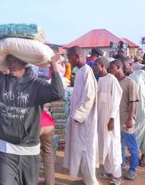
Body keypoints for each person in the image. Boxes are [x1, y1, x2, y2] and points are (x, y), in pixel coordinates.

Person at [0, 36, 64, 185]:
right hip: (5, 150)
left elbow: (58, 93)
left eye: (16, 61)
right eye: (10, 61)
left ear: (25, 62)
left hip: (29, 152)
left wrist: (53, 65)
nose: (12, 64)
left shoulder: (36, 85)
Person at [63, 46, 99, 185]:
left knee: (86, 151)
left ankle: (91, 182)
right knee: (80, 150)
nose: (68, 60)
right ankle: (86, 179)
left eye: (69, 58)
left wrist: (79, 116)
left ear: (76, 57)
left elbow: (89, 96)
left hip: (85, 121)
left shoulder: (87, 72)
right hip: (80, 120)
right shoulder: (80, 71)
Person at [93, 57, 123, 185]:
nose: (93, 67)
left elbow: (116, 100)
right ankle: (108, 172)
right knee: (104, 145)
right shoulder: (99, 80)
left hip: (110, 120)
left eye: (95, 65)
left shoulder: (111, 79)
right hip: (101, 119)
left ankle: (117, 176)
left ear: (102, 66)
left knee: (113, 147)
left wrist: (112, 119)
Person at [109, 59, 139, 180]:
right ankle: (121, 165)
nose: (109, 71)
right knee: (118, 145)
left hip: (127, 120)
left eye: (111, 68)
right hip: (117, 120)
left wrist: (130, 118)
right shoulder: (113, 82)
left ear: (118, 67)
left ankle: (133, 169)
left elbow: (133, 103)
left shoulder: (130, 82)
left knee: (132, 146)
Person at [123, 57, 145, 167]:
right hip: (132, 109)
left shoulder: (141, 73)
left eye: (125, 66)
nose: (124, 68)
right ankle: (135, 155)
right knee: (134, 131)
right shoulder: (124, 79)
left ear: (130, 64)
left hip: (143, 107)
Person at [40, 106, 56, 185]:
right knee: (48, 152)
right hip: (49, 124)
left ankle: (31, 179)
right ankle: (50, 182)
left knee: (31, 153)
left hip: (37, 125)